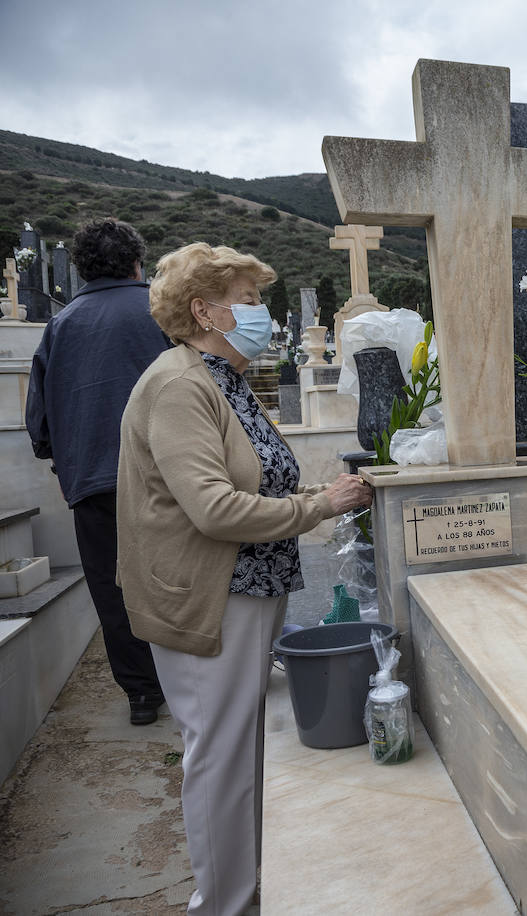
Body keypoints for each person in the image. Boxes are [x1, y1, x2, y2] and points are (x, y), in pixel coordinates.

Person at [117, 242, 373, 915]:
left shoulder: (224, 381)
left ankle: (249, 887)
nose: (264, 314)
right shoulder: (179, 386)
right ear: (205, 310)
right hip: (208, 597)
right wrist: (322, 505)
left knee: (238, 754)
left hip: (249, 589)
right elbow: (212, 507)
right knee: (220, 759)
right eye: (251, 301)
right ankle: (224, 904)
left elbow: (260, 477)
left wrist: (325, 489)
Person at [26, 217, 170, 725]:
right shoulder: (161, 311)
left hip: (91, 478)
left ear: (83, 268)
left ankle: (141, 694)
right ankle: (189, 676)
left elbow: (37, 418)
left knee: (113, 588)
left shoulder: (61, 324)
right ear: (137, 262)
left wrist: (60, 456)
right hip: (167, 474)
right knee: (178, 574)